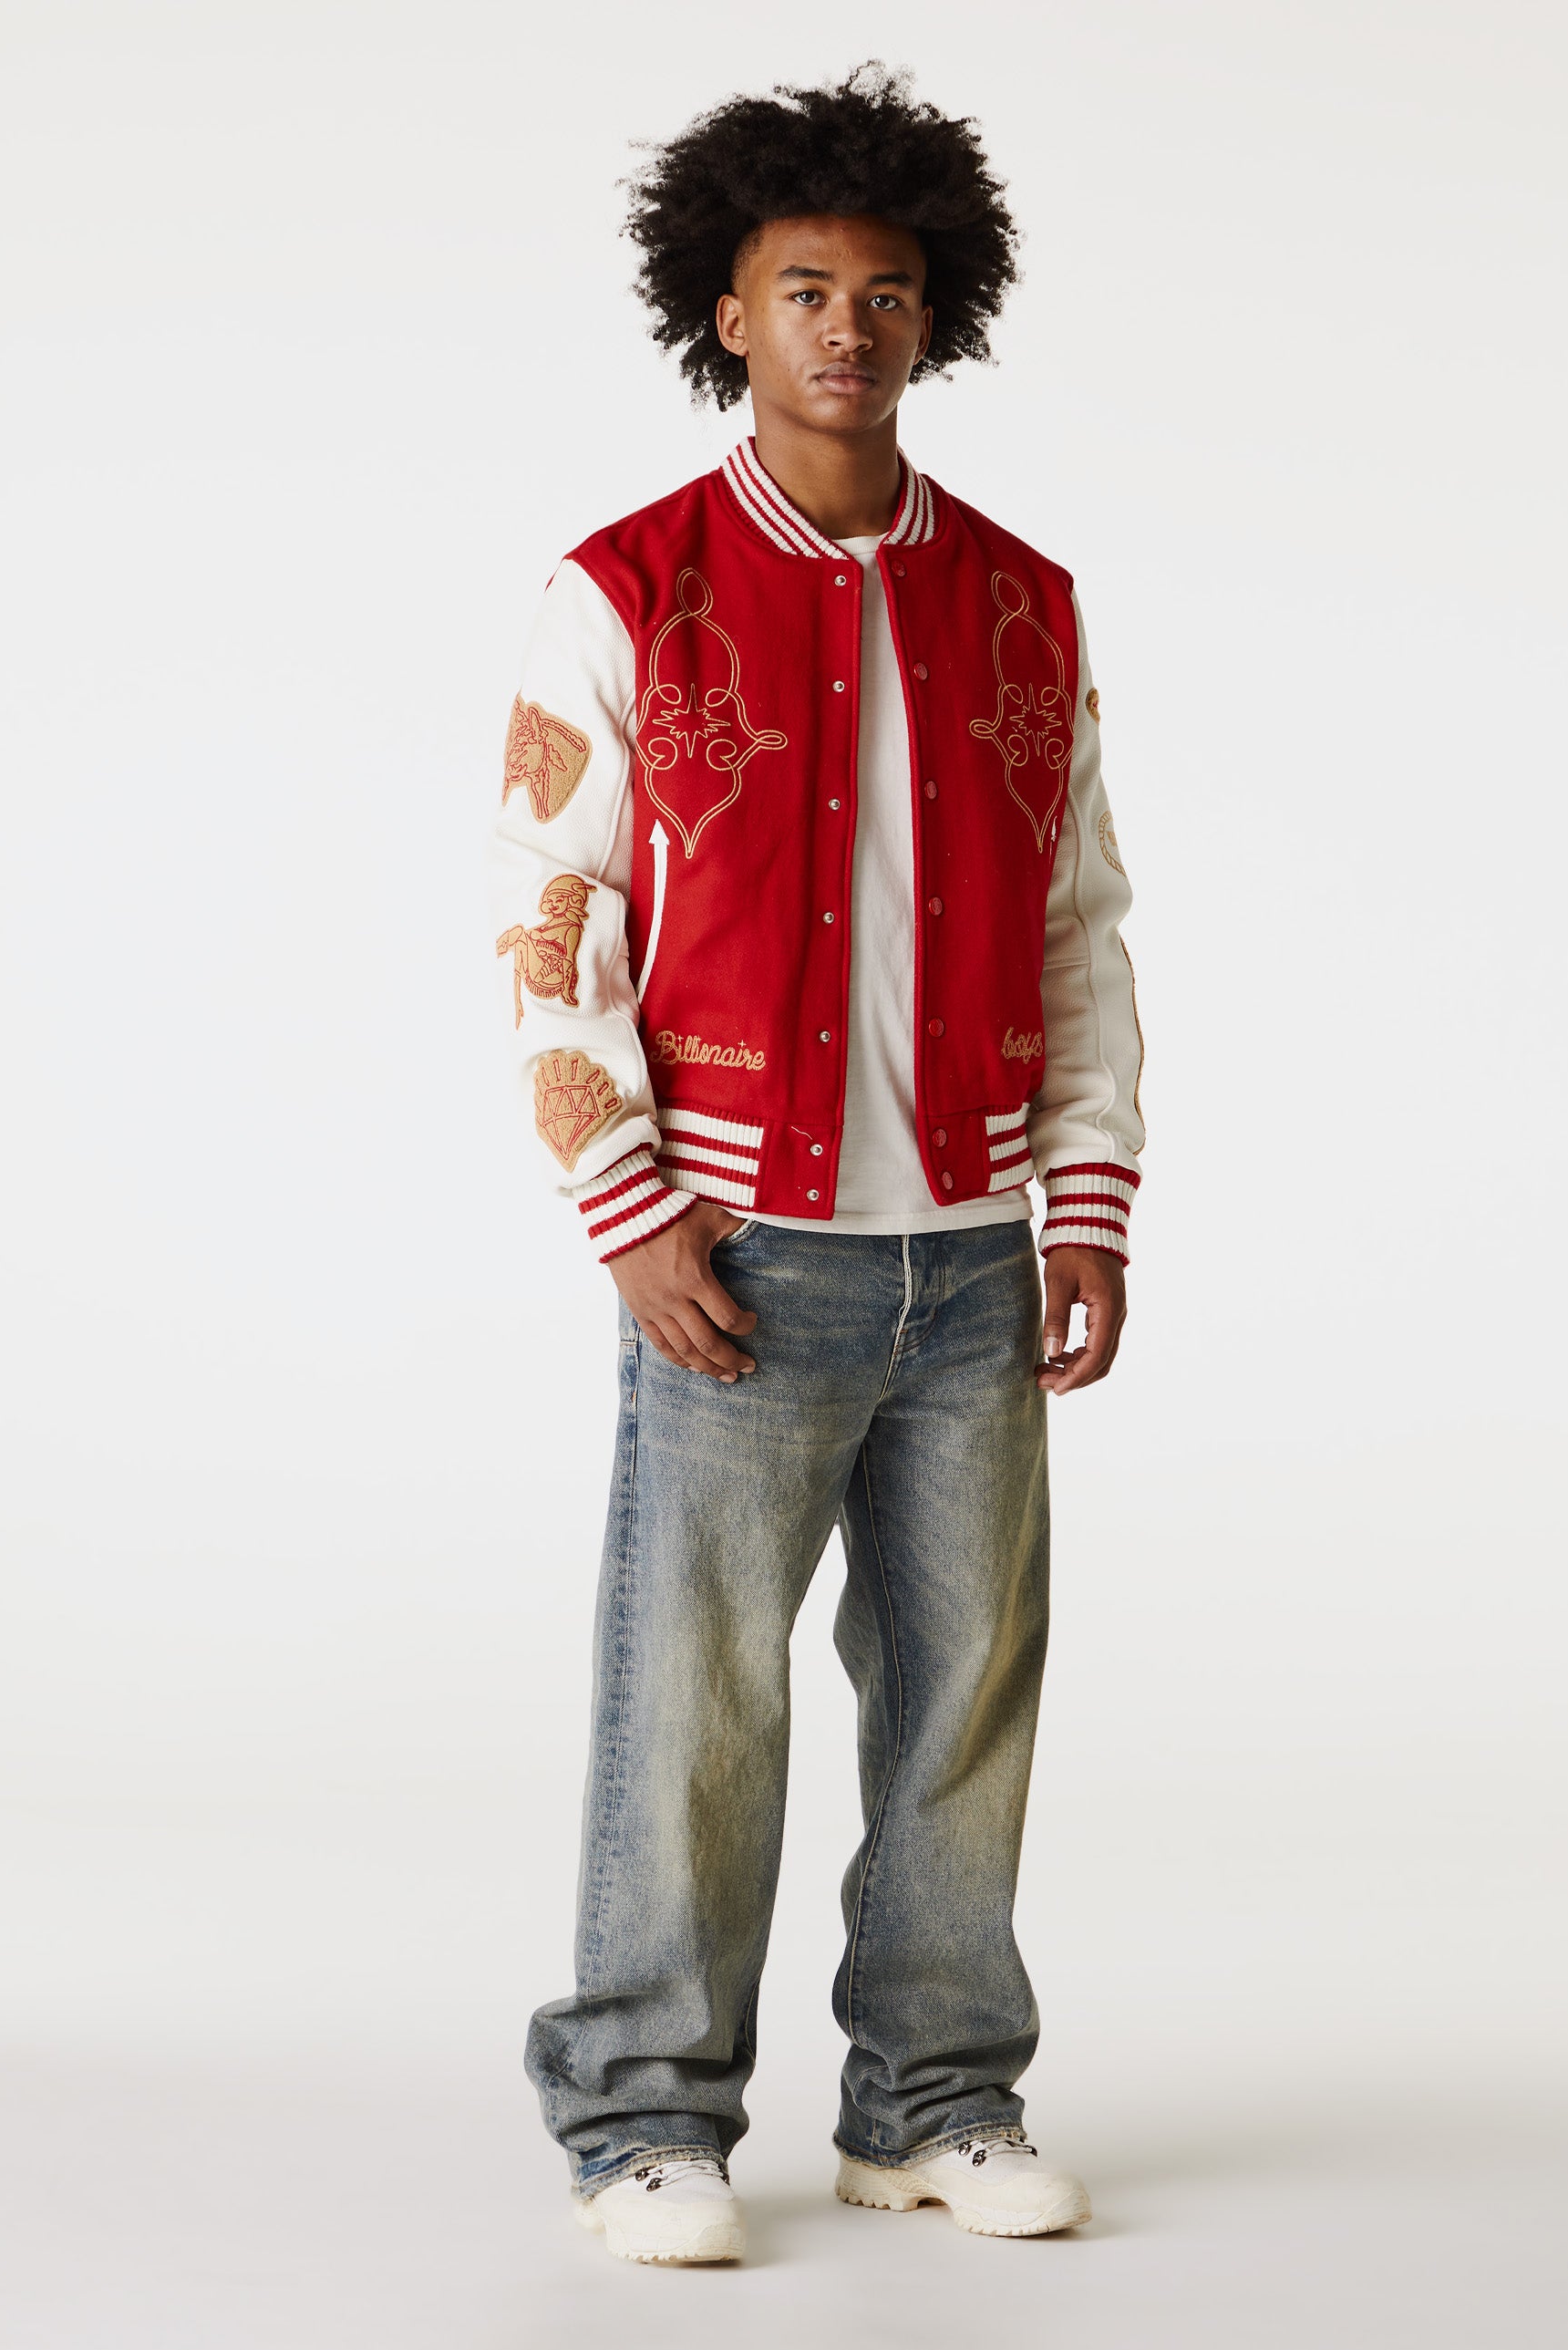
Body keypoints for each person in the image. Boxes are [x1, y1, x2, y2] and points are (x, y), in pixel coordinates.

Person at [491, 64, 1142, 2266]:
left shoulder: (1024, 600)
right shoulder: (625, 588)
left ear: (935, 312)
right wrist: (628, 1200)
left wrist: (1084, 1190)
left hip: (970, 1245)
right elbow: (548, 919)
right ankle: (640, 2116)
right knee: (696, 1697)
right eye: (802, 290)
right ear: (728, 310)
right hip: (737, 1250)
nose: (845, 327)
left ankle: (933, 2099)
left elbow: (1078, 922)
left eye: (882, 291)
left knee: (962, 1694)